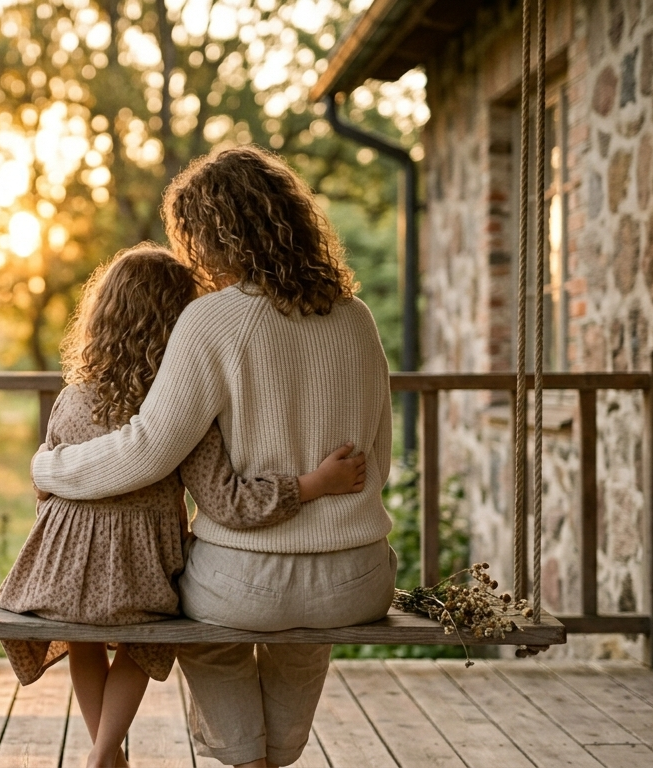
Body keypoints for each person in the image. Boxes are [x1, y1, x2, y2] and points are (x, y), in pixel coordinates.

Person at [30, 146, 398, 768]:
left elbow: (148, 448)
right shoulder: (357, 319)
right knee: (296, 662)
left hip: (244, 585)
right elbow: (378, 454)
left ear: (213, 236)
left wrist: (51, 467)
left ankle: (243, 754)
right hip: (355, 582)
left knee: (200, 610)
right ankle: (275, 753)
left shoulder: (209, 321)